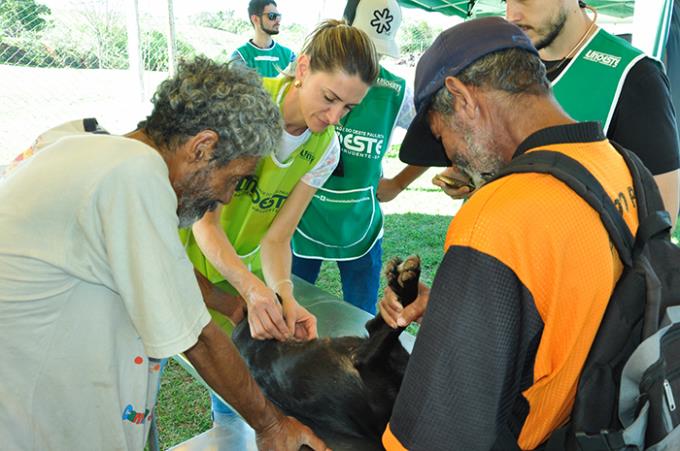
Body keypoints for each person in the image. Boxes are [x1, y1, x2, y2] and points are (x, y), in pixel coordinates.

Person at [0, 57, 327, 451]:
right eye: (233, 179)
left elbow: (164, 261)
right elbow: (199, 340)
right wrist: (272, 426)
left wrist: (230, 304)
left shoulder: (93, 147)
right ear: (203, 147)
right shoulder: (133, 176)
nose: (225, 196)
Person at [380, 17, 642, 450]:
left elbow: (434, 432)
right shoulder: (622, 168)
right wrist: (456, 305)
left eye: (441, 138)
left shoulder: (499, 216)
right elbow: (565, 301)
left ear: (462, 98)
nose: (453, 158)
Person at [180, 20, 379, 427]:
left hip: (238, 272)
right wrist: (252, 289)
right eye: (329, 98)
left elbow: (278, 236)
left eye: (348, 108)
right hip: (183, 261)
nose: (334, 116)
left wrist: (282, 293)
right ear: (302, 68)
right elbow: (205, 222)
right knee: (174, 371)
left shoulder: (325, 148)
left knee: (239, 380)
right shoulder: (244, 108)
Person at [432, 0, 680, 229]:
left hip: (564, 269)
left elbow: (659, 219)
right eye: (505, 0)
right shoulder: (498, 64)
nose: (512, 14)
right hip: (483, 255)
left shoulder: (634, 76)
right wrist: (473, 172)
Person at [291, 0, 426, 314]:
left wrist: (398, 183)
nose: (369, 63)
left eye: (377, 53)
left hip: (359, 222)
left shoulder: (396, 91)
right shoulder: (309, 76)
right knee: (291, 302)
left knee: (360, 313)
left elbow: (435, 135)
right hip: (303, 215)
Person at [232, 0, 296, 77]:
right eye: (272, 16)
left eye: (279, 16)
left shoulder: (289, 56)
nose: (278, 20)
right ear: (255, 19)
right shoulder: (240, 56)